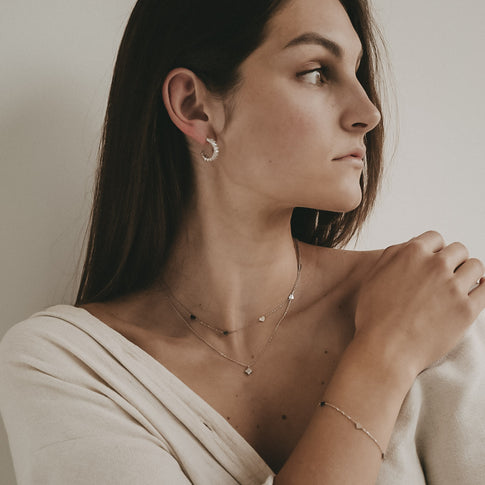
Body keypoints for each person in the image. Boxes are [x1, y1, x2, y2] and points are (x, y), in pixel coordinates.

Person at [1, 0, 484, 483]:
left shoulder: (433, 301)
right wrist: (384, 357)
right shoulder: (67, 366)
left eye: (356, 71)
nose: (369, 113)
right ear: (194, 106)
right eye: (316, 73)